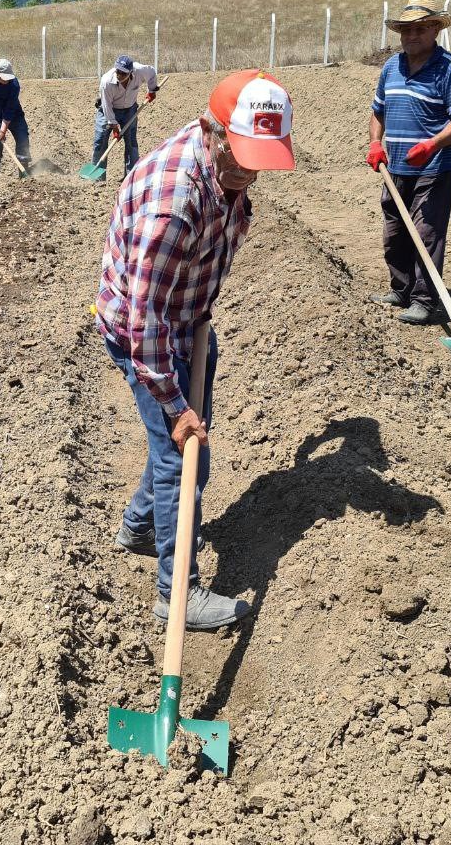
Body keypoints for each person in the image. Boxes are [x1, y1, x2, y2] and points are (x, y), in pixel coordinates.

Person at [96, 69, 295, 630]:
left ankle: (140, 526)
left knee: (178, 446)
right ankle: (175, 594)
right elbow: (145, 321)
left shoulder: (225, 168)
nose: (250, 172)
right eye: (242, 156)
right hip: (149, 333)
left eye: (260, 159)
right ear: (212, 131)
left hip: (186, 319)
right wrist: (175, 403)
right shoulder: (173, 202)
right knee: (183, 454)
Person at [365, 0, 451, 325]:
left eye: (421, 29)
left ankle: (424, 300)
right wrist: (375, 143)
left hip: (435, 167)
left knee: (426, 232)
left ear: (435, 30)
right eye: (406, 30)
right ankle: (401, 289)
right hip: (395, 165)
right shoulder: (391, 67)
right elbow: (378, 111)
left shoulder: (450, 69)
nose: (412, 35)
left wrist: (433, 145)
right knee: (395, 231)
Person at [92, 54, 159, 179]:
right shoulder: (107, 81)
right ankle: (97, 178)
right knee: (100, 140)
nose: (119, 75)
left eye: (123, 73)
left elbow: (152, 73)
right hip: (108, 109)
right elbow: (106, 106)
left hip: (129, 110)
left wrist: (152, 90)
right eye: (118, 71)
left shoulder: (140, 71)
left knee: (131, 141)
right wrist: (113, 125)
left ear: (131, 72)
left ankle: (131, 177)